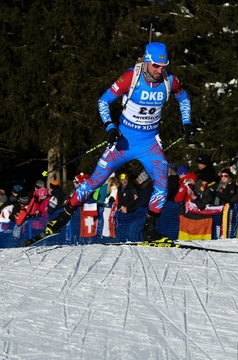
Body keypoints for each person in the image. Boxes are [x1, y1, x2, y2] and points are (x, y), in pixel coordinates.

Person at [30, 42, 193, 244]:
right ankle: (61, 218)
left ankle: (149, 231)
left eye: (164, 66)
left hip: (149, 143)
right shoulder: (130, 78)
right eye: (156, 66)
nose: (160, 71)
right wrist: (110, 127)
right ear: (147, 62)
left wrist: (187, 123)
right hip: (123, 142)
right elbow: (103, 101)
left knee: (162, 184)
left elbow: (184, 99)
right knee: (95, 181)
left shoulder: (170, 81)